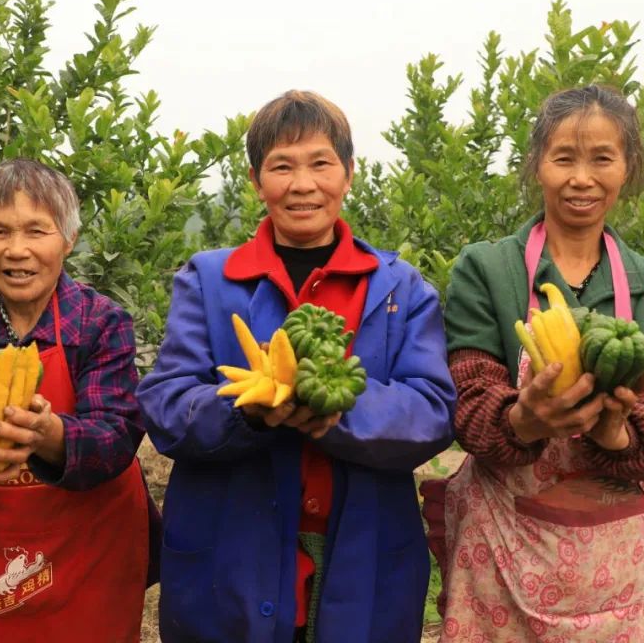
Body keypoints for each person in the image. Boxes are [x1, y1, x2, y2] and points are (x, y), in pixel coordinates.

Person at [137, 90, 456, 643]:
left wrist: (337, 410)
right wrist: (251, 413)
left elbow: (432, 410)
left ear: (349, 173)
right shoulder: (209, 281)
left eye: (321, 163)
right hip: (233, 555)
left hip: (361, 551)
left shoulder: (400, 288)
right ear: (258, 181)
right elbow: (167, 405)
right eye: (281, 166)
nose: (303, 184)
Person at [421, 85, 644, 641]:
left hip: (624, 567)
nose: (582, 178)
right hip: (506, 549)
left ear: (628, 168)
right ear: (537, 166)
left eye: (602, 158)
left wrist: (617, 432)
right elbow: (470, 398)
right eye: (564, 158)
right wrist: (524, 420)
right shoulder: (488, 270)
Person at [0, 158, 156, 641]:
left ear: (68, 238)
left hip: (90, 553)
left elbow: (117, 436)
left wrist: (51, 434)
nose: (18, 250)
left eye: (37, 231)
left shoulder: (99, 323)